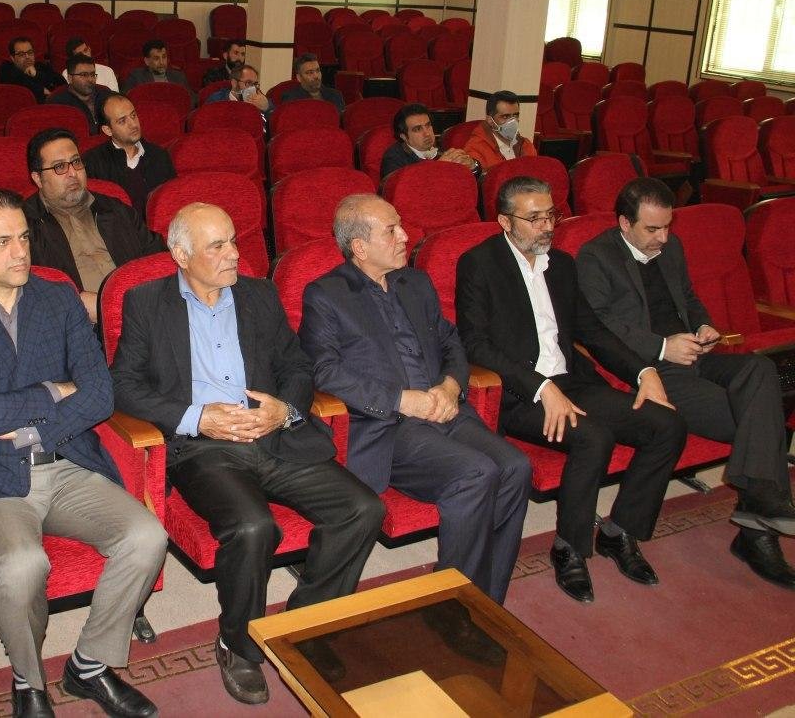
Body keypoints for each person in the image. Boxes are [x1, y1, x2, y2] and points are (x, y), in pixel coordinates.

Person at [110, 202, 383, 705]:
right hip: (204, 448)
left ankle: (304, 624)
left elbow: (296, 365)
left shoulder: (259, 294)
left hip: (274, 435)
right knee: (254, 527)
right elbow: (123, 387)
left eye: (234, 240)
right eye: (217, 245)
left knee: (363, 509)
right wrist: (196, 417)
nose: (234, 253)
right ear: (180, 255)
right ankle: (237, 643)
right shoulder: (145, 302)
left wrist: (284, 410)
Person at [0, 189, 166, 718]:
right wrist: (55, 390)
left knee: (147, 536)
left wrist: (33, 429)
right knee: (22, 565)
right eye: (2, 242)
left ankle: (90, 665)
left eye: (24, 238)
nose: (20, 252)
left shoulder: (58, 298)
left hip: (68, 462)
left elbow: (100, 394)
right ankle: (28, 682)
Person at [456, 176, 687, 603]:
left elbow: (592, 331)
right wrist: (541, 387)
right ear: (505, 221)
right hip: (520, 392)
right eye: (534, 218)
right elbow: (475, 344)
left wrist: (643, 372)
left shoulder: (561, 264)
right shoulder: (479, 264)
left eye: (551, 215)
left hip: (573, 381)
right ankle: (569, 547)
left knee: (666, 425)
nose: (547, 226)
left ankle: (620, 531)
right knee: (593, 437)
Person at [300, 194, 531, 607]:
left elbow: (451, 341)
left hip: (445, 408)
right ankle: (451, 604)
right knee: (476, 473)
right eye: (392, 230)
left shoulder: (416, 283)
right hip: (391, 426)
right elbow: (324, 371)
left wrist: (450, 386)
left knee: (515, 466)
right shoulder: (327, 295)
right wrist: (402, 401)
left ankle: (486, 601)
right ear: (359, 247)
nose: (406, 236)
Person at [577, 177, 795, 588]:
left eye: (667, 227)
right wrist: (662, 347)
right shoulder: (595, 257)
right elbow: (600, 326)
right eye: (652, 229)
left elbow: (688, 298)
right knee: (760, 422)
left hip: (696, 353)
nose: (663, 238)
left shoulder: (671, 247)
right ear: (624, 223)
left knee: (761, 370)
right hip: (653, 370)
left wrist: (704, 325)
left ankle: (760, 512)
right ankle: (758, 530)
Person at [23, 129, 164, 324]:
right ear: (38, 178)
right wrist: (80, 306)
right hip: (74, 327)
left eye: (76, 162)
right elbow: (26, 290)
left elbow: (158, 257)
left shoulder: (117, 210)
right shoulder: (24, 226)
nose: (73, 173)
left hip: (142, 316)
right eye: (60, 167)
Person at [88, 94, 176, 219]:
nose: (133, 124)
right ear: (108, 130)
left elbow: (173, 201)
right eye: (122, 121)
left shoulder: (159, 156)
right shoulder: (92, 163)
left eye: (133, 115)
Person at [379, 103, 478, 181]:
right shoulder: (393, 158)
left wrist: (472, 167)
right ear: (404, 136)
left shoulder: (440, 151)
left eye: (428, 125)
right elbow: (401, 189)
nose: (427, 133)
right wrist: (437, 167)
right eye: (418, 129)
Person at [463, 90, 538, 170]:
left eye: (515, 115)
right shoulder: (476, 148)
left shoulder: (526, 145)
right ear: (490, 120)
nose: (513, 121)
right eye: (505, 116)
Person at [47, 53, 114, 134]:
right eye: (84, 75)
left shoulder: (105, 93)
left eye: (92, 74)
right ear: (70, 78)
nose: (90, 79)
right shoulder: (57, 102)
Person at [0, 36, 64, 102]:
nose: (27, 57)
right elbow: (19, 83)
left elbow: (61, 83)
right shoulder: (6, 69)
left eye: (30, 52)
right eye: (21, 54)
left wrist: (36, 74)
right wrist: (41, 90)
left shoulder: (41, 66)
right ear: (12, 58)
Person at [279, 53, 345, 113]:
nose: (316, 76)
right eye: (310, 72)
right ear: (299, 77)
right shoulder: (291, 98)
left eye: (318, 71)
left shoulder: (336, 95)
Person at [121, 40, 192, 93]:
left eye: (164, 57)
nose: (162, 62)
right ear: (147, 61)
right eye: (156, 58)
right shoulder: (136, 77)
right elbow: (127, 99)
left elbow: (191, 99)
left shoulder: (179, 77)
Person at [205, 64, 272, 119]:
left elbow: (274, 121)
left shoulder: (259, 98)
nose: (253, 88)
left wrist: (267, 108)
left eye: (255, 84)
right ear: (234, 83)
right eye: (248, 83)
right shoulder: (217, 99)